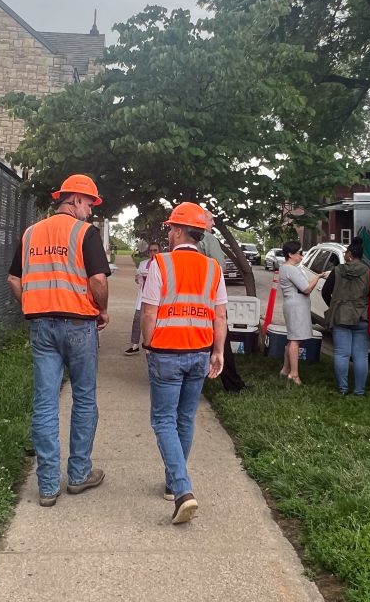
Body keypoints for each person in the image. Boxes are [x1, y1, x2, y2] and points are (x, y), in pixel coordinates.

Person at [7, 174, 111, 507]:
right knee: (83, 398)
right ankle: (79, 475)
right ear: (76, 200)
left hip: (41, 327)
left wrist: (30, 303)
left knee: (45, 402)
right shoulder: (85, 233)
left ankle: (48, 486)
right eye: (90, 204)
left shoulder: (31, 233)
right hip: (79, 325)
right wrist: (103, 310)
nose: (91, 212)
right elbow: (97, 280)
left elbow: (13, 278)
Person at [140, 202, 226, 524]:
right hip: (200, 352)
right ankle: (171, 482)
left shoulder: (160, 264)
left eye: (171, 228)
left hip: (166, 353)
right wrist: (218, 352)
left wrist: (149, 345)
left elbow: (149, 312)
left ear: (178, 230)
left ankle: (182, 490)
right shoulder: (213, 268)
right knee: (185, 419)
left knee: (163, 421)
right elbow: (220, 315)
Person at [321, 237, 370, 396]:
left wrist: (334, 305)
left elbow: (325, 292)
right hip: (362, 317)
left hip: (341, 316)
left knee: (341, 353)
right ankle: (359, 391)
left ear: (349, 254)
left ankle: (342, 389)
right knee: (361, 355)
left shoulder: (337, 271)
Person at [199, 209, 244, 392]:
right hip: (208, 299)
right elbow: (220, 267)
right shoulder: (208, 239)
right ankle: (233, 384)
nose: (214, 224)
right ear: (202, 221)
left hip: (187, 301)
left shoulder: (183, 239)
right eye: (211, 220)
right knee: (220, 340)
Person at [277, 240, 324, 386]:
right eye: (299, 253)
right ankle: (294, 373)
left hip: (295, 306)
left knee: (292, 339)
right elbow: (306, 289)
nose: (302, 256)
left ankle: (285, 369)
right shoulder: (291, 269)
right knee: (295, 340)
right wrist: (319, 276)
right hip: (296, 307)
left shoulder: (287, 268)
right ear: (290, 254)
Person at [126, 241, 161, 355]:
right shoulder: (143, 264)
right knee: (137, 319)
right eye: (150, 251)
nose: (152, 253)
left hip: (157, 298)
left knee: (154, 322)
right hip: (144, 296)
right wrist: (138, 278)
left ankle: (151, 345)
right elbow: (138, 280)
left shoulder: (164, 264)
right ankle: (134, 345)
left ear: (159, 251)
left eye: (155, 250)